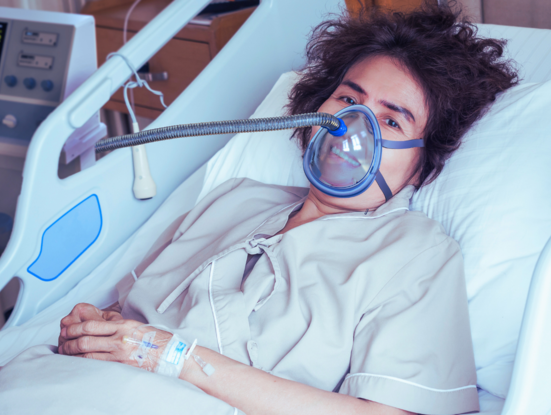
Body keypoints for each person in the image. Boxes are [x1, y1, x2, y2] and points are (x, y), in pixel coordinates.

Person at [54, 3, 517, 415]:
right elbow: (126, 313)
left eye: (392, 120)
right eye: (348, 100)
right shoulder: (235, 198)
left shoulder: (415, 253)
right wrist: (92, 327)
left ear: (422, 162)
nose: (353, 127)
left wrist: (172, 357)